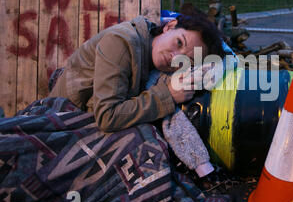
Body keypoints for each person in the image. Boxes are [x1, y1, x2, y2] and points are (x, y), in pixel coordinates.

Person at [49, 13, 225, 132]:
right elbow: (107, 117)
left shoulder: (151, 57)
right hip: (56, 124)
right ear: (169, 26)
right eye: (179, 43)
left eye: (187, 61)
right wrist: (168, 95)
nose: (175, 57)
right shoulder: (122, 43)